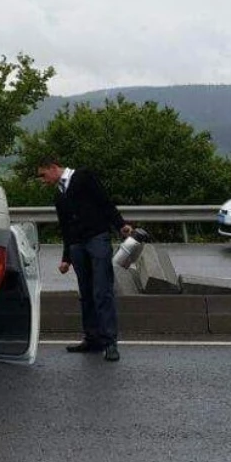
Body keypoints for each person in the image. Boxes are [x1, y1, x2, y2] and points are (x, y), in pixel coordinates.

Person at [37, 155, 133, 362]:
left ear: (53, 168)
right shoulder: (59, 195)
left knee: (102, 291)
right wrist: (66, 257)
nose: (43, 180)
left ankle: (109, 342)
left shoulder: (83, 176)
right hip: (77, 245)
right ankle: (92, 338)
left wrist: (120, 224)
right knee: (86, 293)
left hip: (97, 238)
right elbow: (65, 226)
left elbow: (103, 200)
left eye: (43, 175)